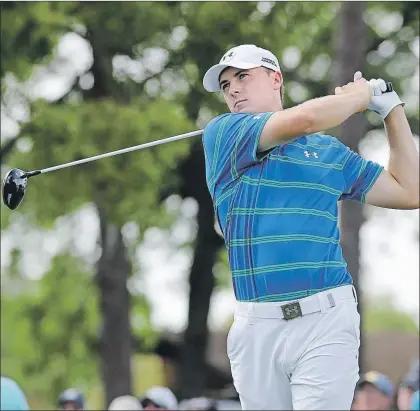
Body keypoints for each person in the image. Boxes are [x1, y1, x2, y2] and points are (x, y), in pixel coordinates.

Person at [201, 44, 419, 410]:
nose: (233, 89)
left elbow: (410, 191)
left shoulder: (328, 152)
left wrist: (391, 110)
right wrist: (360, 95)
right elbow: (304, 119)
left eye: (242, 76)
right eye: (225, 85)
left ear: (275, 79)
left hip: (327, 319)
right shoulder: (224, 134)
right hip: (256, 325)